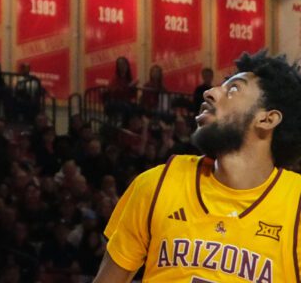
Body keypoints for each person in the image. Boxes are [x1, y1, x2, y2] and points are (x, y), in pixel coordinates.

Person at [93, 50, 301, 282]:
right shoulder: (156, 185)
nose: (210, 92)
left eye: (233, 90)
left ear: (267, 119)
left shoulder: (295, 206)